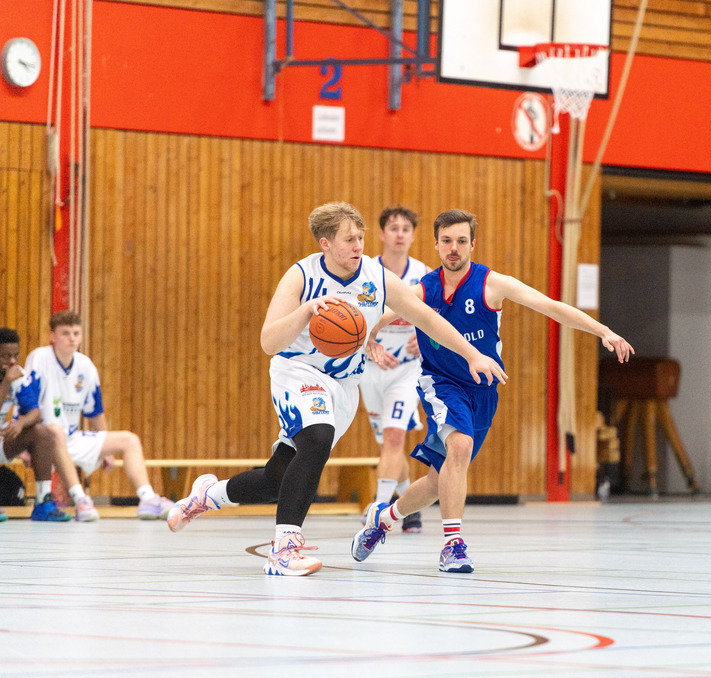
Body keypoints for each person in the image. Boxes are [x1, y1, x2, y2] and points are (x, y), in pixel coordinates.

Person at [165, 201, 506, 577]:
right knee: (317, 438)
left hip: (344, 383)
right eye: (349, 240)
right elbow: (268, 341)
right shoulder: (301, 275)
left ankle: (208, 496)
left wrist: (473, 354)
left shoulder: (376, 277)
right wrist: (306, 311)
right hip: (297, 371)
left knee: (278, 479)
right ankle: (283, 550)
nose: (358, 246)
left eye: (360, 238)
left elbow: (427, 319)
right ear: (325, 244)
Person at [351, 208, 634, 573]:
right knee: (460, 445)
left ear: (473, 244)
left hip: (483, 391)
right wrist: (370, 338)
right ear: (436, 244)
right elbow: (376, 314)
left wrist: (603, 331)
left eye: (462, 241)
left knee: (438, 482)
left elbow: (550, 306)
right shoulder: (423, 288)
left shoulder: (491, 283)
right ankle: (453, 545)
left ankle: (383, 520)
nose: (454, 248)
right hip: (440, 384)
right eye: (447, 241)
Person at [25, 311, 174, 522]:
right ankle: (81, 502)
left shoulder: (86, 366)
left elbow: (95, 412)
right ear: (52, 337)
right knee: (55, 432)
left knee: (129, 440)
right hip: (44, 440)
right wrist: (24, 444)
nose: (72, 338)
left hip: (71, 438)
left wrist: (105, 450)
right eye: (65, 333)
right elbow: (25, 403)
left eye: (76, 333)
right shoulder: (39, 358)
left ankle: (148, 499)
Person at [358, 206, 428, 533]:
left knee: (395, 437)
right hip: (370, 369)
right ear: (382, 234)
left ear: (413, 235)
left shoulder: (425, 275)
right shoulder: (365, 272)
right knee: (387, 444)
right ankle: (408, 504)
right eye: (393, 228)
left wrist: (425, 339)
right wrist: (368, 343)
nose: (400, 234)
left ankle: (380, 509)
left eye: (405, 229)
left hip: (407, 369)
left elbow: (440, 321)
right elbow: (349, 320)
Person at [1, 327, 82, 522]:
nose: (12, 361)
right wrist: (5, 384)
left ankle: (43, 502)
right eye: (5, 356)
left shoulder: (18, 375)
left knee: (42, 433)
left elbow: (35, 412)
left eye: (15, 355)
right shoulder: (10, 378)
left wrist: (21, 423)